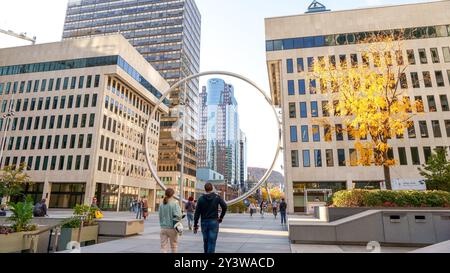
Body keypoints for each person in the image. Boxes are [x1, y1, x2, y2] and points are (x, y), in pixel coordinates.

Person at [194, 183, 227, 253]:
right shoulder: (217, 197)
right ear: (212, 188)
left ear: (205, 189)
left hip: (204, 222)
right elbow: (224, 206)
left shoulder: (201, 199)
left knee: (205, 241)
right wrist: (221, 217)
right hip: (214, 221)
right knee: (212, 242)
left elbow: (197, 213)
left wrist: (195, 224)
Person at [159, 188, 182, 253]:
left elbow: (160, 216)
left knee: (163, 247)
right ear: (173, 194)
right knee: (174, 246)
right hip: (172, 228)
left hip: (163, 227)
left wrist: (162, 224)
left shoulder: (161, 204)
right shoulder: (174, 204)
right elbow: (179, 215)